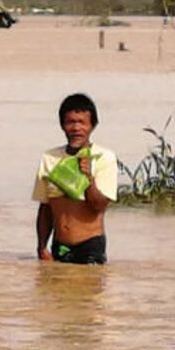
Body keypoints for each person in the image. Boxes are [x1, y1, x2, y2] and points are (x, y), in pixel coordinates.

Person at [33, 93, 118, 265]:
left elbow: (99, 206)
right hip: (59, 246)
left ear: (92, 126)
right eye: (70, 122)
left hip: (89, 247)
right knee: (54, 291)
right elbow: (45, 208)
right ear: (62, 125)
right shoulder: (50, 158)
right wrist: (42, 247)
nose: (76, 128)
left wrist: (88, 179)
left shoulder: (103, 158)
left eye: (82, 123)